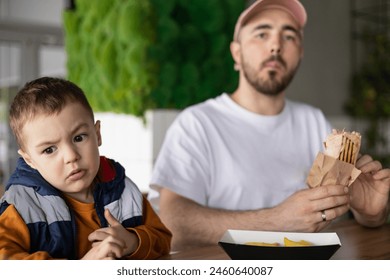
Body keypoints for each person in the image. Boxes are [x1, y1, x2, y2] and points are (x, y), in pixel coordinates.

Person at [148, 0, 390, 251]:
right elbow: (172, 224)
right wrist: (277, 221)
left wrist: (370, 213)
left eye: (289, 36)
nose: (276, 45)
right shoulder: (196, 124)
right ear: (237, 52)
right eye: (262, 34)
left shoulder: (314, 121)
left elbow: (348, 223)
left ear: (300, 53)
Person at [0, 77, 172, 260]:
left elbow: (163, 240)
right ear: (29, 160)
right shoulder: (20, 207)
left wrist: (132, 241)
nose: (71, 156)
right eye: (49, 149)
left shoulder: (124, 191)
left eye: (79, 138)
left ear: (97, 134)